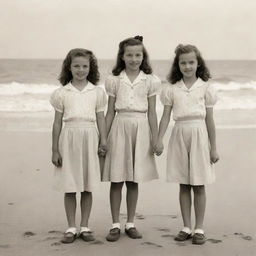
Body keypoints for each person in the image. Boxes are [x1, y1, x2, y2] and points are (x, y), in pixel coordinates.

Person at [155, 44, 219, 245]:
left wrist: (213, 147)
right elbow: (165, 117)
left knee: (198, 183)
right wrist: (159, 139)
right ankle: (186, 226)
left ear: (198, 63)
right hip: (179, 133)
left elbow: (210, 120)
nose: (187, 66)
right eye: (183, 62)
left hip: (199, 133)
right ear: (178, 65)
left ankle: (199, 227)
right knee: (183, 183)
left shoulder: (206, 88)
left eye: (191, 62)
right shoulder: (172, 89)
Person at [102, 36, 160, 242]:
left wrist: (156, 139)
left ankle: (131, 223)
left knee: (134, 179)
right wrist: (103, 138)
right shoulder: (114, 80)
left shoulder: (151, 80)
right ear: (122, 57)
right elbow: (109, 112)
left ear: (143, 56)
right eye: (130, 55)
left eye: (138, 55)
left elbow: (153, 112)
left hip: (141, 127)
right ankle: (115, 224)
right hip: (119, 126)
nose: (134, 59)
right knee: (117, 179)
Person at [50, 48, 107, 243]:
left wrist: (104, 141)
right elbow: (57, 123)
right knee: (70, 185)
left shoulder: (97, 92)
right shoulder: (62, 93)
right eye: (76, 66)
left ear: (90, 68)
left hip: (90, 137)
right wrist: (55, 149)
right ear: (69, 67)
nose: (80, 70)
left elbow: (101, 118)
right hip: (69, 138)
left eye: (85, 66)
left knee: (87, 185)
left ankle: (85, 226)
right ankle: (71, 227)